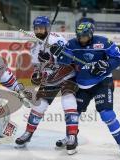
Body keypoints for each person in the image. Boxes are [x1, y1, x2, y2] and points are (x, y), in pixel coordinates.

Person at [50, 22, 120, 157]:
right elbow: (64, 62)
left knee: (106, 114)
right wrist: (58, 54)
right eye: (79, 36)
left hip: (102, 83)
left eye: (85, 36)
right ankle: (70, 137)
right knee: (74, 113)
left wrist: (106, 64)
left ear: (91, 34)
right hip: (82, 85)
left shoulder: (104, 42)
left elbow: (118, 57)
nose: (81, 39)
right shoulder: (71, 44)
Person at [15, 16, 79, 155]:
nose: (38, 30)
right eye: (36, 28)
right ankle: (28, 133)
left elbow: (70, 58)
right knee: (39, 105)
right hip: (50, 79)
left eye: (41, 28)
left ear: (47, 28)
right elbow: (38, 68)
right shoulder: (34, 45)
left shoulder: (57, 39)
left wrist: (54, 56)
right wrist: (37, 74)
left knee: (68, 102)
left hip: (67, 75)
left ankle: (72, 136)